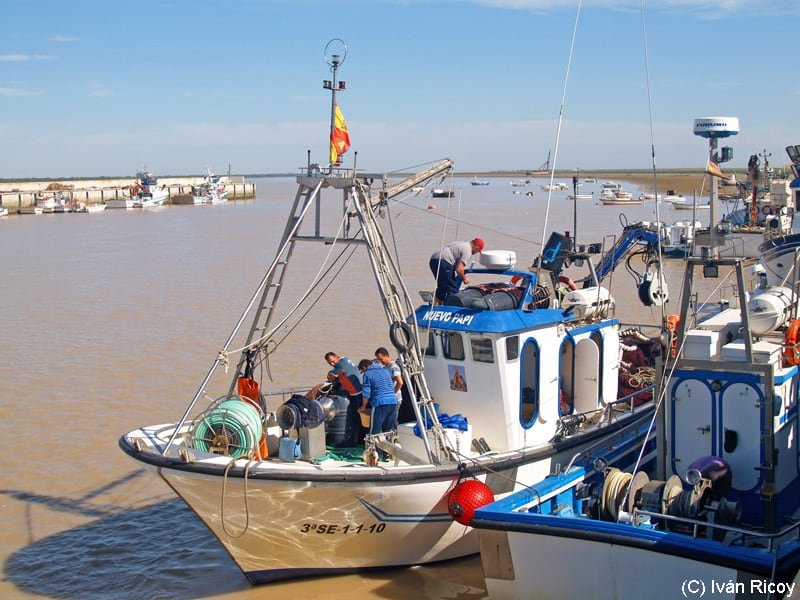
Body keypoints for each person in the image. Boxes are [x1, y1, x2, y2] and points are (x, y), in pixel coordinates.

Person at [429, 238, 485, 304]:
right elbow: (459, 269)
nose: (475, 253)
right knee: (452, 288)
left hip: (433, 260)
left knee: (443, 286)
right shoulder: (468, 251)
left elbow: (456, 266)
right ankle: (450, 306)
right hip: (444, 261)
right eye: (478, 251)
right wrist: (465, 279)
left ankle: (437, 304)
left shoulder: (462, 244)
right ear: (477, 247)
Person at [325, 352, 364, 446]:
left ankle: (357, 439)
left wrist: (330, 375)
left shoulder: (340, 364)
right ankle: (359, 438)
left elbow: (331, 377)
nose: (332, 364)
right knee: (359, 416)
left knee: (356, 417)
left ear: (336, 357)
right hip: (360, 391)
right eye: (330, 363)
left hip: (356, 393)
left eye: (332, 361)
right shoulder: (345, 360)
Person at [359, 358, 398, 436]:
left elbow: (366, 393)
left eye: (362, 371)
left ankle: (373, 443)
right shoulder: (385, 371)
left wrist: (363, 407)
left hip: (380, 403)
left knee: (374, 431)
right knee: (388, 430)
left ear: (364, 367)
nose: (363, 373)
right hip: (393, 401)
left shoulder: (368, 374)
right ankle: (390, 442)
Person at [374, 346, 403, 415]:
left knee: (392, 418)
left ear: (386, 356)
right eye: (379, 360)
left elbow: (400, 382)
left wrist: (393, 393)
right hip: (388, 399)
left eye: (381, 359)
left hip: (394, 399)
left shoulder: (394, 367)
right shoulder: (385, 367)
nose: (380, 362)